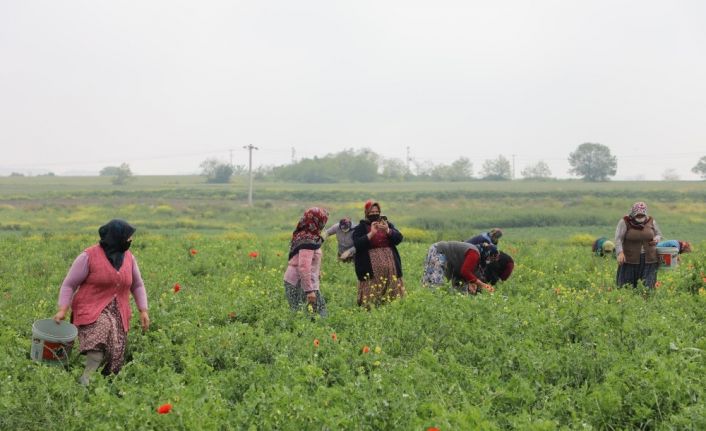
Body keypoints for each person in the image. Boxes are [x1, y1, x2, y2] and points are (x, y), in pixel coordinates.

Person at [53, 219, 149, 386]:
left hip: (119, 312)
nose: (130, 241)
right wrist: (63, 309)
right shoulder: (88, 256)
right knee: (100, 337)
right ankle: (86, 380)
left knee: (114, 351)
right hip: (90, 309)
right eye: (127, 237)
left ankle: (100, 388)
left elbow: (137, 285)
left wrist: (143, 310)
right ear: (116, 237)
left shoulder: (129, 258)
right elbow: (69, 284)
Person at [352, 200, 405, 307]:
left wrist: (388, 230)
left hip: (390, 264)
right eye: (371, 212)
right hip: (369, 267)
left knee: (391, 293)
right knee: (371, 293)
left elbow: (399, 238)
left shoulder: (386, 224)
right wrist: (371, 233)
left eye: (376, 211)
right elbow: (357, 244)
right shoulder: (361, 227)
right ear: (366, 212)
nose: (374, 214)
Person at [284, 207, 329, 317]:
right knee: (319, 313)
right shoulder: (308, 240)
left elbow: (308, 262)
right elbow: (303, 267)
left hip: (300, 280)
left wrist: (317, 272)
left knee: (302, 314)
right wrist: (309, 291)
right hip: (299, 282)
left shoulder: (304, 235)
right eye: (322, 221)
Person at [615, 202, 663, 289]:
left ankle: (647, 300)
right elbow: (618, 238)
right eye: (638, 215)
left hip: (649, 259)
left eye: (642, 215)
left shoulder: (651, 221)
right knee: (627, 286)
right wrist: (620, 253)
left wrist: (657, 238)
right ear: (633, 213)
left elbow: (659, 234)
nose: (640, 217)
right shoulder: (625, 222)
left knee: (648, 286)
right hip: (630, 259)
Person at [422, 241, 497, 294]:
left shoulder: (477, 258)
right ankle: (426, 302)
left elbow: (461, 274)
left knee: (460, 290)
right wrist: (483, 285)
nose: (489, 261)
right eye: (490, 258)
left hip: (444, 256)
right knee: (434, 284)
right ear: (488, 253)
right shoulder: (474, 253)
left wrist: (470, 284)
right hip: (439, 251)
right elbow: (465, 271)